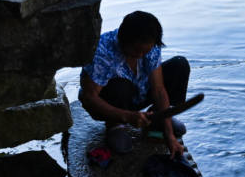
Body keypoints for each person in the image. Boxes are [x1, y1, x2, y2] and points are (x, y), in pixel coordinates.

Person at [79, 11, 189, 158]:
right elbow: (89, 98)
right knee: (120, 86)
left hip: (139, 92)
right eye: (137, 50)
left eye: (146, 51)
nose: (142, 55)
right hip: (112, 100)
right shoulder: (102, 51)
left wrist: (169, 134)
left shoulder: (151, 47)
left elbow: (159, 90)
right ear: (123, 40)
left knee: (179, 65)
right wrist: (128, 116)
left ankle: (157, 117)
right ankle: (115, 125)